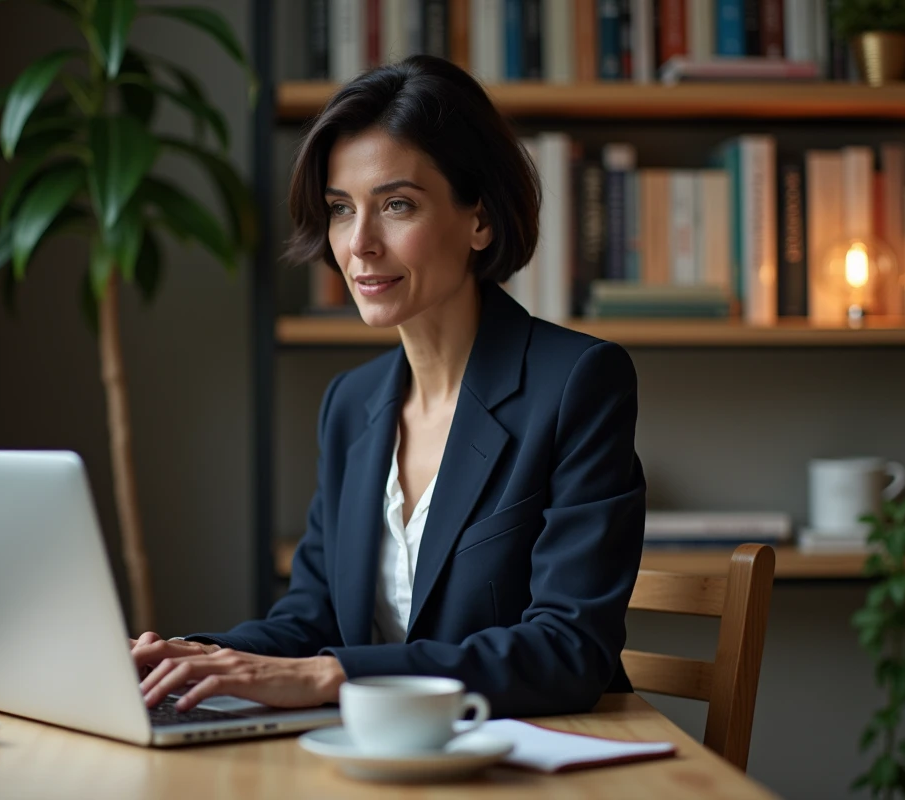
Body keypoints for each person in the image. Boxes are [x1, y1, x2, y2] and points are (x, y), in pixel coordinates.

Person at [131, 55, 646, 719]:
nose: (359, 244)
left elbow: (567, 652)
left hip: (528, 762)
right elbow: (310, 620)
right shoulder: (350, 404)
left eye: (396, 205)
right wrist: (187, 658)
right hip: (375, 757)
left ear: (479, 219)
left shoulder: (578, 382)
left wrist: (332, 676)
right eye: (341, 210)